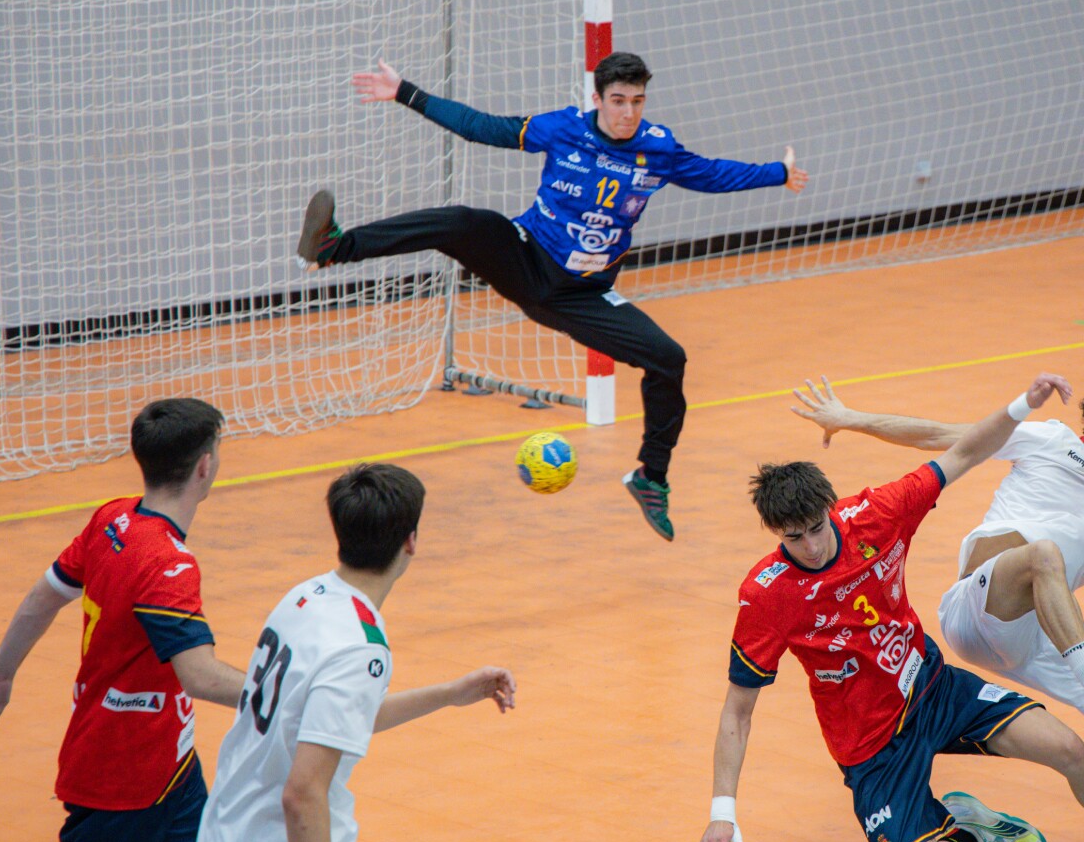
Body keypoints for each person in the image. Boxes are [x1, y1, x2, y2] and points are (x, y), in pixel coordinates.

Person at [691, 377, 1084, 842]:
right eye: (793, 537)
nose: (809, 545)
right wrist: (722, 809)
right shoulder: (768, 594)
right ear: (774, 533)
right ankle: (967, 829)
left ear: (831, 508)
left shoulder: (875, 515)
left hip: (940, 689)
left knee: (1078, 749)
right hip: (874, 742)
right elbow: (737, 711)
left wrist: (1022, 401)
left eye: (815, 528)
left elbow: (962, 453)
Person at [297, 51, 810, 542]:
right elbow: (481, 127)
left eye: (637, 101)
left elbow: (713, 174)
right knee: (461, 222)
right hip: (525, 258)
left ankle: (652, 477)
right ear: (598, 99)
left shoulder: (658, 149)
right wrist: (405, 92)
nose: (628, 112)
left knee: (668, 358)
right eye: (618, 101)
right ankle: (337, 247)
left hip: (582, 296)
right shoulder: (564, 128)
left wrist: (778, 173)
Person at [193, 463, 516, 842]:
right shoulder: (360, 646)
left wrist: (449, 694)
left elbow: (324, 722)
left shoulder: (306, 596)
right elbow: (302, 792)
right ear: (411, 541)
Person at [0, 399, 245, 842]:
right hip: (121, 774)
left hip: (172, 763)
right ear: (205, 465)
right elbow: (201, 677)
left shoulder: (113, 518)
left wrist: (1, 671)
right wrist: (283, 692)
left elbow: (45, 596)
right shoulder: (168, 564)